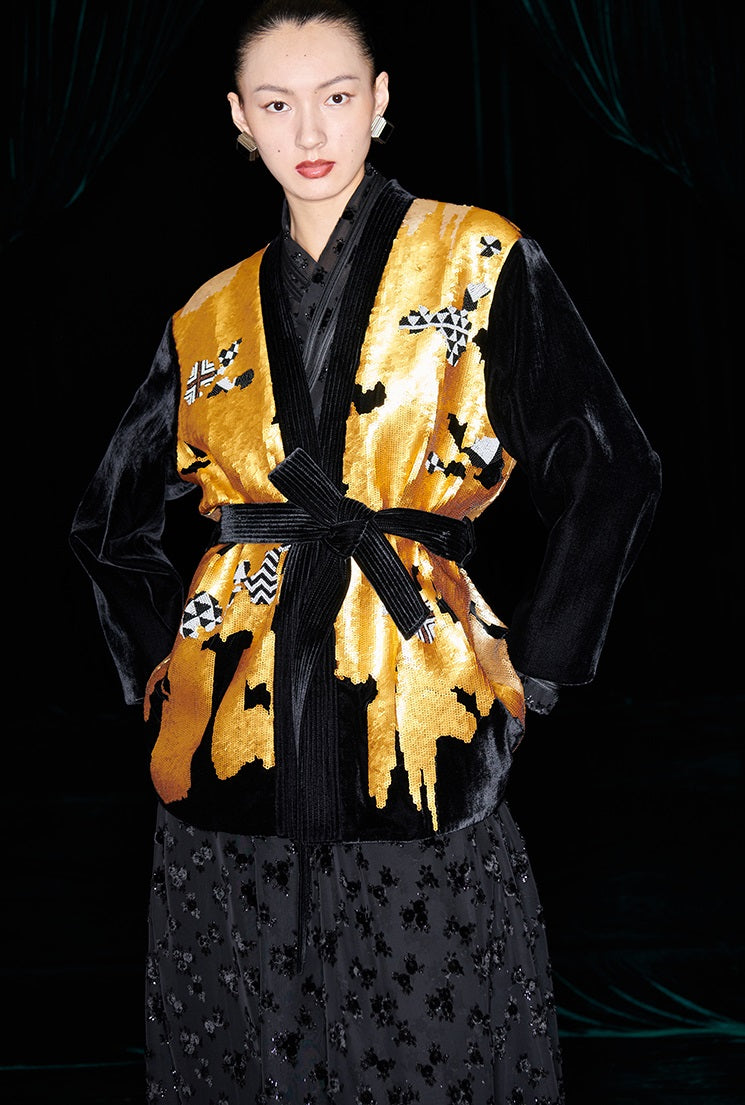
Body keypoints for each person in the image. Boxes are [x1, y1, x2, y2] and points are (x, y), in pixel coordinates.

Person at [70, 1, 662, 1101]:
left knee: (431, 1026)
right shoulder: (208, 315)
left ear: (380, 101)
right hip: (233, 725)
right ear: (239, 118)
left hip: (417, 705)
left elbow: (611, 465)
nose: (310, 130)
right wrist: (162, 673)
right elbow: (107, 523)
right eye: (277, 103)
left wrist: (535, 671)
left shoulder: (477, 259)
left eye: (336, 96)